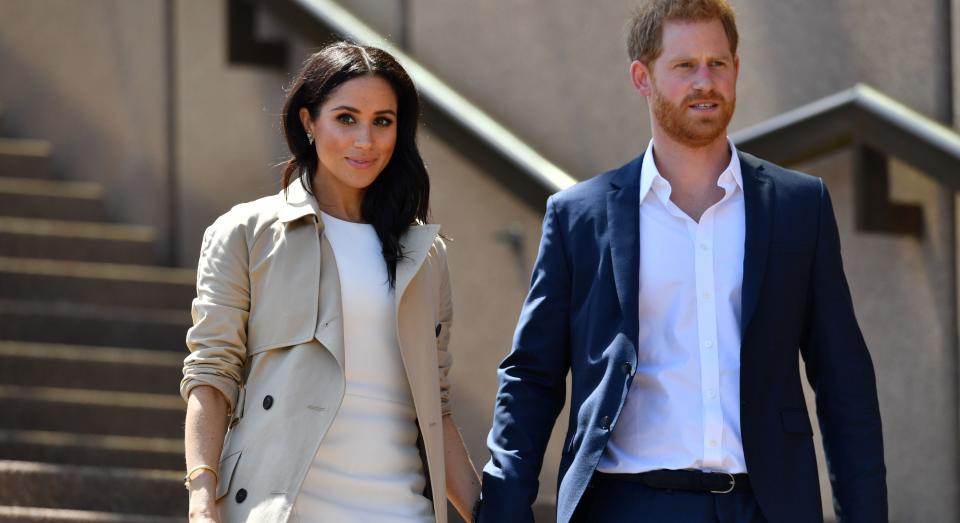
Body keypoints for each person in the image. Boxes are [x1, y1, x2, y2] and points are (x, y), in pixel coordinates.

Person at [477, 1, 887, 522]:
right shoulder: (579, 216)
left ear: (736, 70)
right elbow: (532, 376)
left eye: (717, 63)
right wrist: (504, 507)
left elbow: (843, 378)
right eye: (684, 66)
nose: (705, 81)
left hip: (765, 506)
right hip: (625, 504)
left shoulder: (798, 206)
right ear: (642, 78)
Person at [180, 42, 480, 523]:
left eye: (383, 121)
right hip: (281, 508)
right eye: (346, 118)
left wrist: (484, 509)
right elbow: (211, 376)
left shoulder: (425, 255)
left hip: (401, 510)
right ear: (307, 121)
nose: (366, 139)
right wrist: (201, 497)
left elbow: (435, 408)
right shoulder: (246, 233)